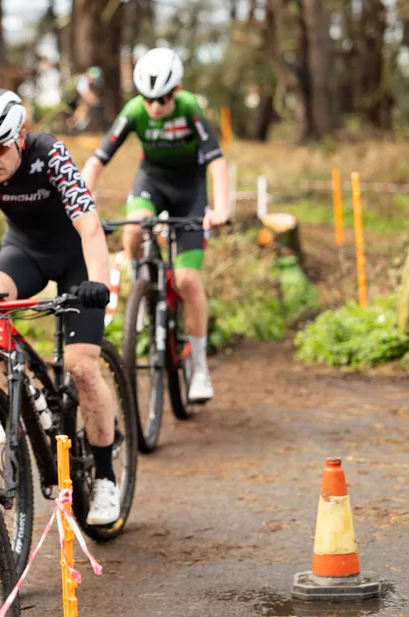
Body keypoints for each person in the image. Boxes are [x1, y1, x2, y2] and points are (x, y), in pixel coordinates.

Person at [0, 88, 121, 526]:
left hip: (76, 258)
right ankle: (26, 390)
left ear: (20, 137)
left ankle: (107, 477)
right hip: (25, 252)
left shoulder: (50, 154)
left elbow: (90, 228)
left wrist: (97, 283)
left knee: (82, 367)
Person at [80, 47, 229, 403]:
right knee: (134, 228)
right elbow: (97, 162)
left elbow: (218, 164)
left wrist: (220, 208)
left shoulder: (190, 107)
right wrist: (81, 204)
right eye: (148, 99)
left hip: (190, 191)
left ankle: (201, 368)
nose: (155, 108)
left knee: (188, 280)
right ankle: (142, 282)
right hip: (152, 184)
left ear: (176, 91)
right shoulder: (134, 111)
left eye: (162, 99)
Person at [66, 66, 104, 131]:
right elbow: (85, 94)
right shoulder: (82, 80)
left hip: (73, 99)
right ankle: (76, 124)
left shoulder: (85, 81)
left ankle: (79, 124)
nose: (94, 82)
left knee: (85, 104)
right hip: (69, 100)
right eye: (94, 79)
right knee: (84, 104)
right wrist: (97, 103)